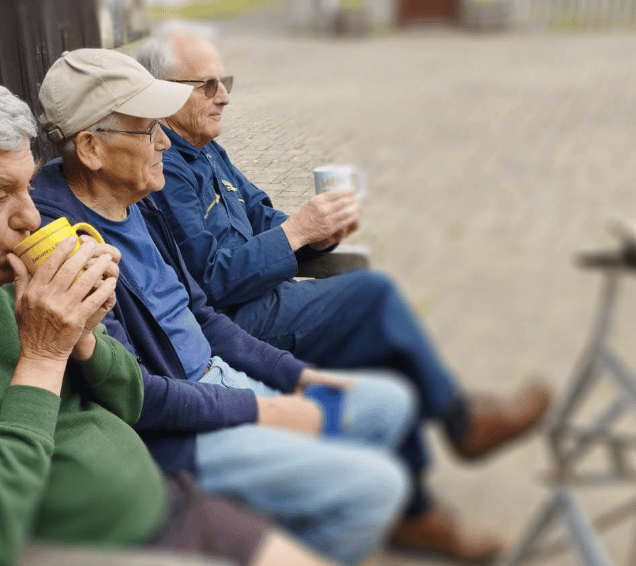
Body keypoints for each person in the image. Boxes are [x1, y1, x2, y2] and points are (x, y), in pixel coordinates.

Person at [0, 64, 339, 566]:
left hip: (170, 502)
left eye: (28, 185)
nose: (31, 216)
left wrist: (85, 338)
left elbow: (128, 395)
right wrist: (42, 355)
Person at [134, 23, 552, 562]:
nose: (224, 95)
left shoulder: (208, 149)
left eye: (225, 80)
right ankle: (460, 426)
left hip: (266, 301)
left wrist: (317, 232)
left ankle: (417, 509)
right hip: (236, 326)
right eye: (207, 84)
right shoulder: (161, 165)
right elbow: (209, 281)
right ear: (161, 92)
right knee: (372, 297)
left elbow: (263, 215)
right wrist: (296, 235)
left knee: (387, 347)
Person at [31, 47, 426, 566]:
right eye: (147, 129)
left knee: (386, 404)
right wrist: (264, 409)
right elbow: (138, 398)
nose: (164, 141)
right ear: (91, 147)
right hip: (184, 433)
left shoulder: (137, 200)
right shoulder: (66, 246)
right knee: (376, 487)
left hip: (227, 384)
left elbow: (204, 314)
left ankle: (288, 516)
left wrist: (296, 375)